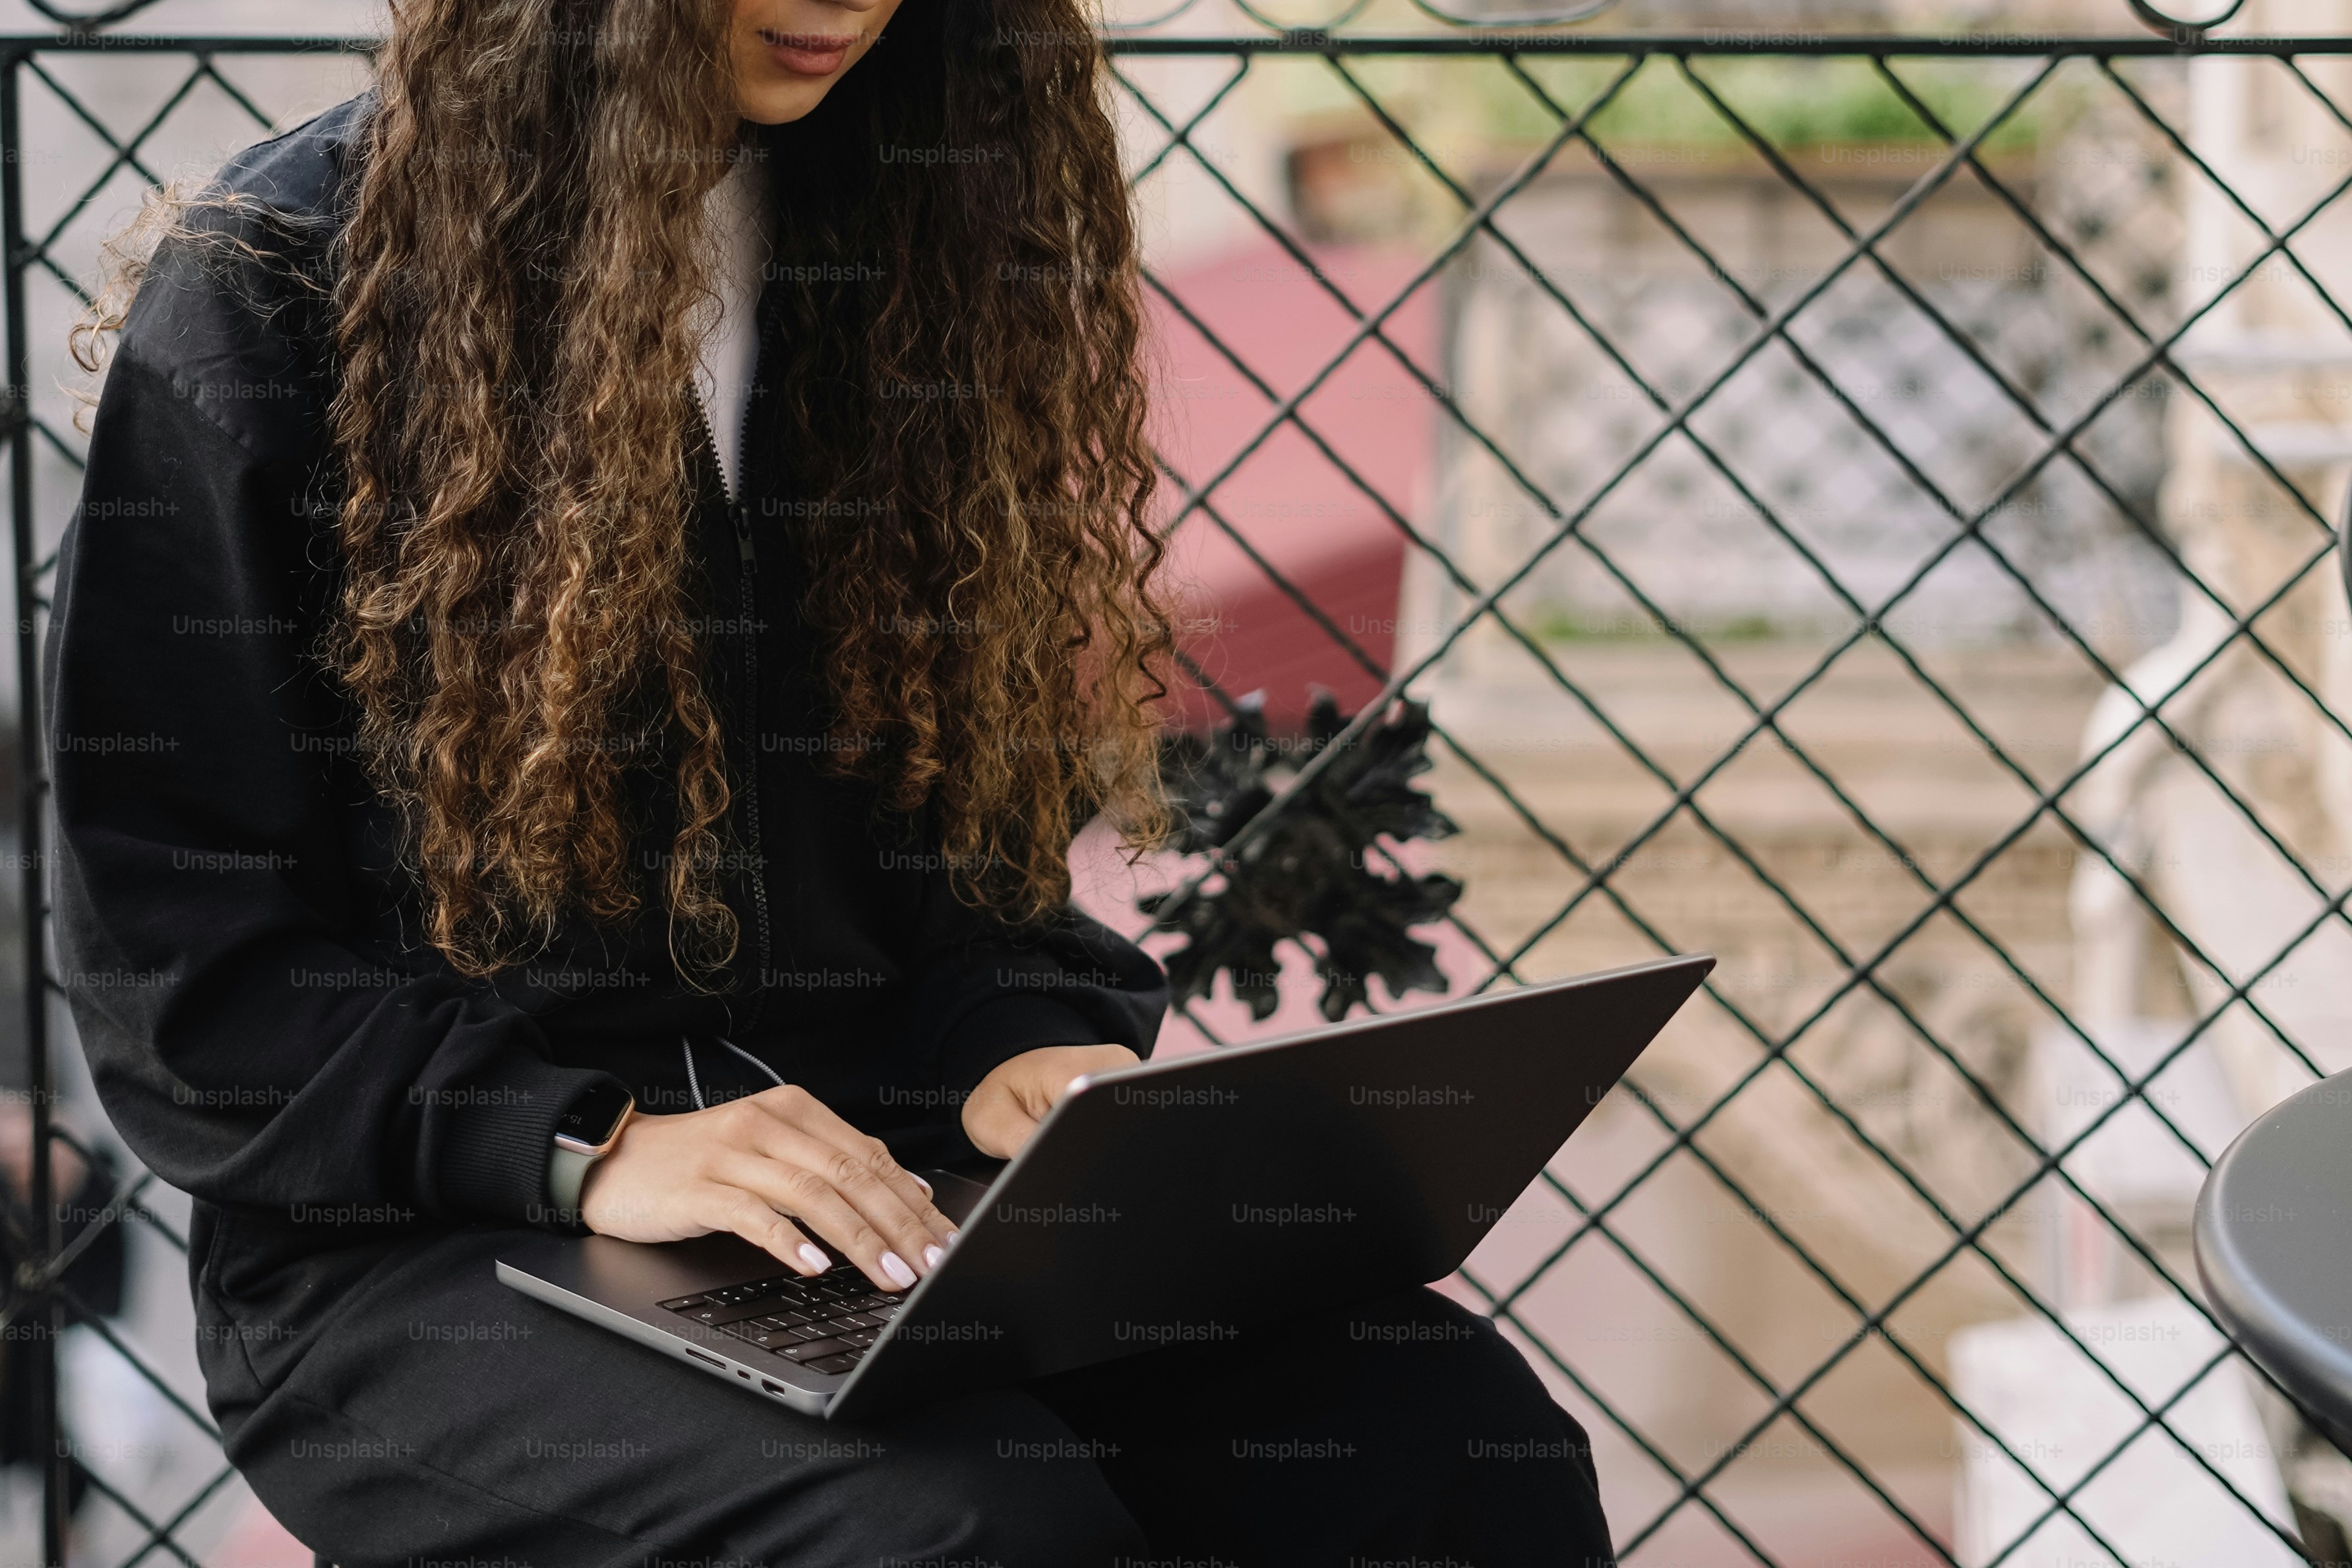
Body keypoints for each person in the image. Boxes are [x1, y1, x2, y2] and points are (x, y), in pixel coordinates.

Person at [44, 1, 1613, 1562]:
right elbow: (183, 967)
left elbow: (974, 866)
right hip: (426, 1252)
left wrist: (1024, 1039)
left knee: (1444, 1441)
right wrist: (585, 1143)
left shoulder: (913, 225)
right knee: (961, 1533)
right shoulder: (280, 280)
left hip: (879, 1202)